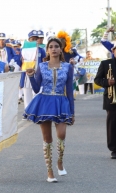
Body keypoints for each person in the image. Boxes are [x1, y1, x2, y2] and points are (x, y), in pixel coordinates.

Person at [23, 37, 75, 183]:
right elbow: (35, 88)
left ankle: (60, 161)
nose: (53, 49)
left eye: (56, 46)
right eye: (51, 46)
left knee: (62, 134)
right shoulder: (42, 66)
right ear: (47, 50)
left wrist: (72, 112)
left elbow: (69, 91)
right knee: (47, 138)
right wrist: (31, 76)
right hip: (44, 101)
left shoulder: (67, 67)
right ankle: (50, 171)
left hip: (61, 102)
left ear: (60, 49)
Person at [94, 45, 116, 159]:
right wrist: (107, 82)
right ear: (113, 51)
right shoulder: (106, 64)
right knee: (112, 124)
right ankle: (114, 149)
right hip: (111, 98)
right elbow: (97, 80)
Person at [20, 30, 46, 109]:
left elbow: (44, 62)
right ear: (29, 40)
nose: (35, 40)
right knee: (27, 94)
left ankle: (36, 111)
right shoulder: (23, 50)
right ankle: (27, 112)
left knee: (36, 93)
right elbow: (20, 62)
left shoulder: (41, 50)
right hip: (26, 75)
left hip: (37, 75)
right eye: (33, 39)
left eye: (36, 39)